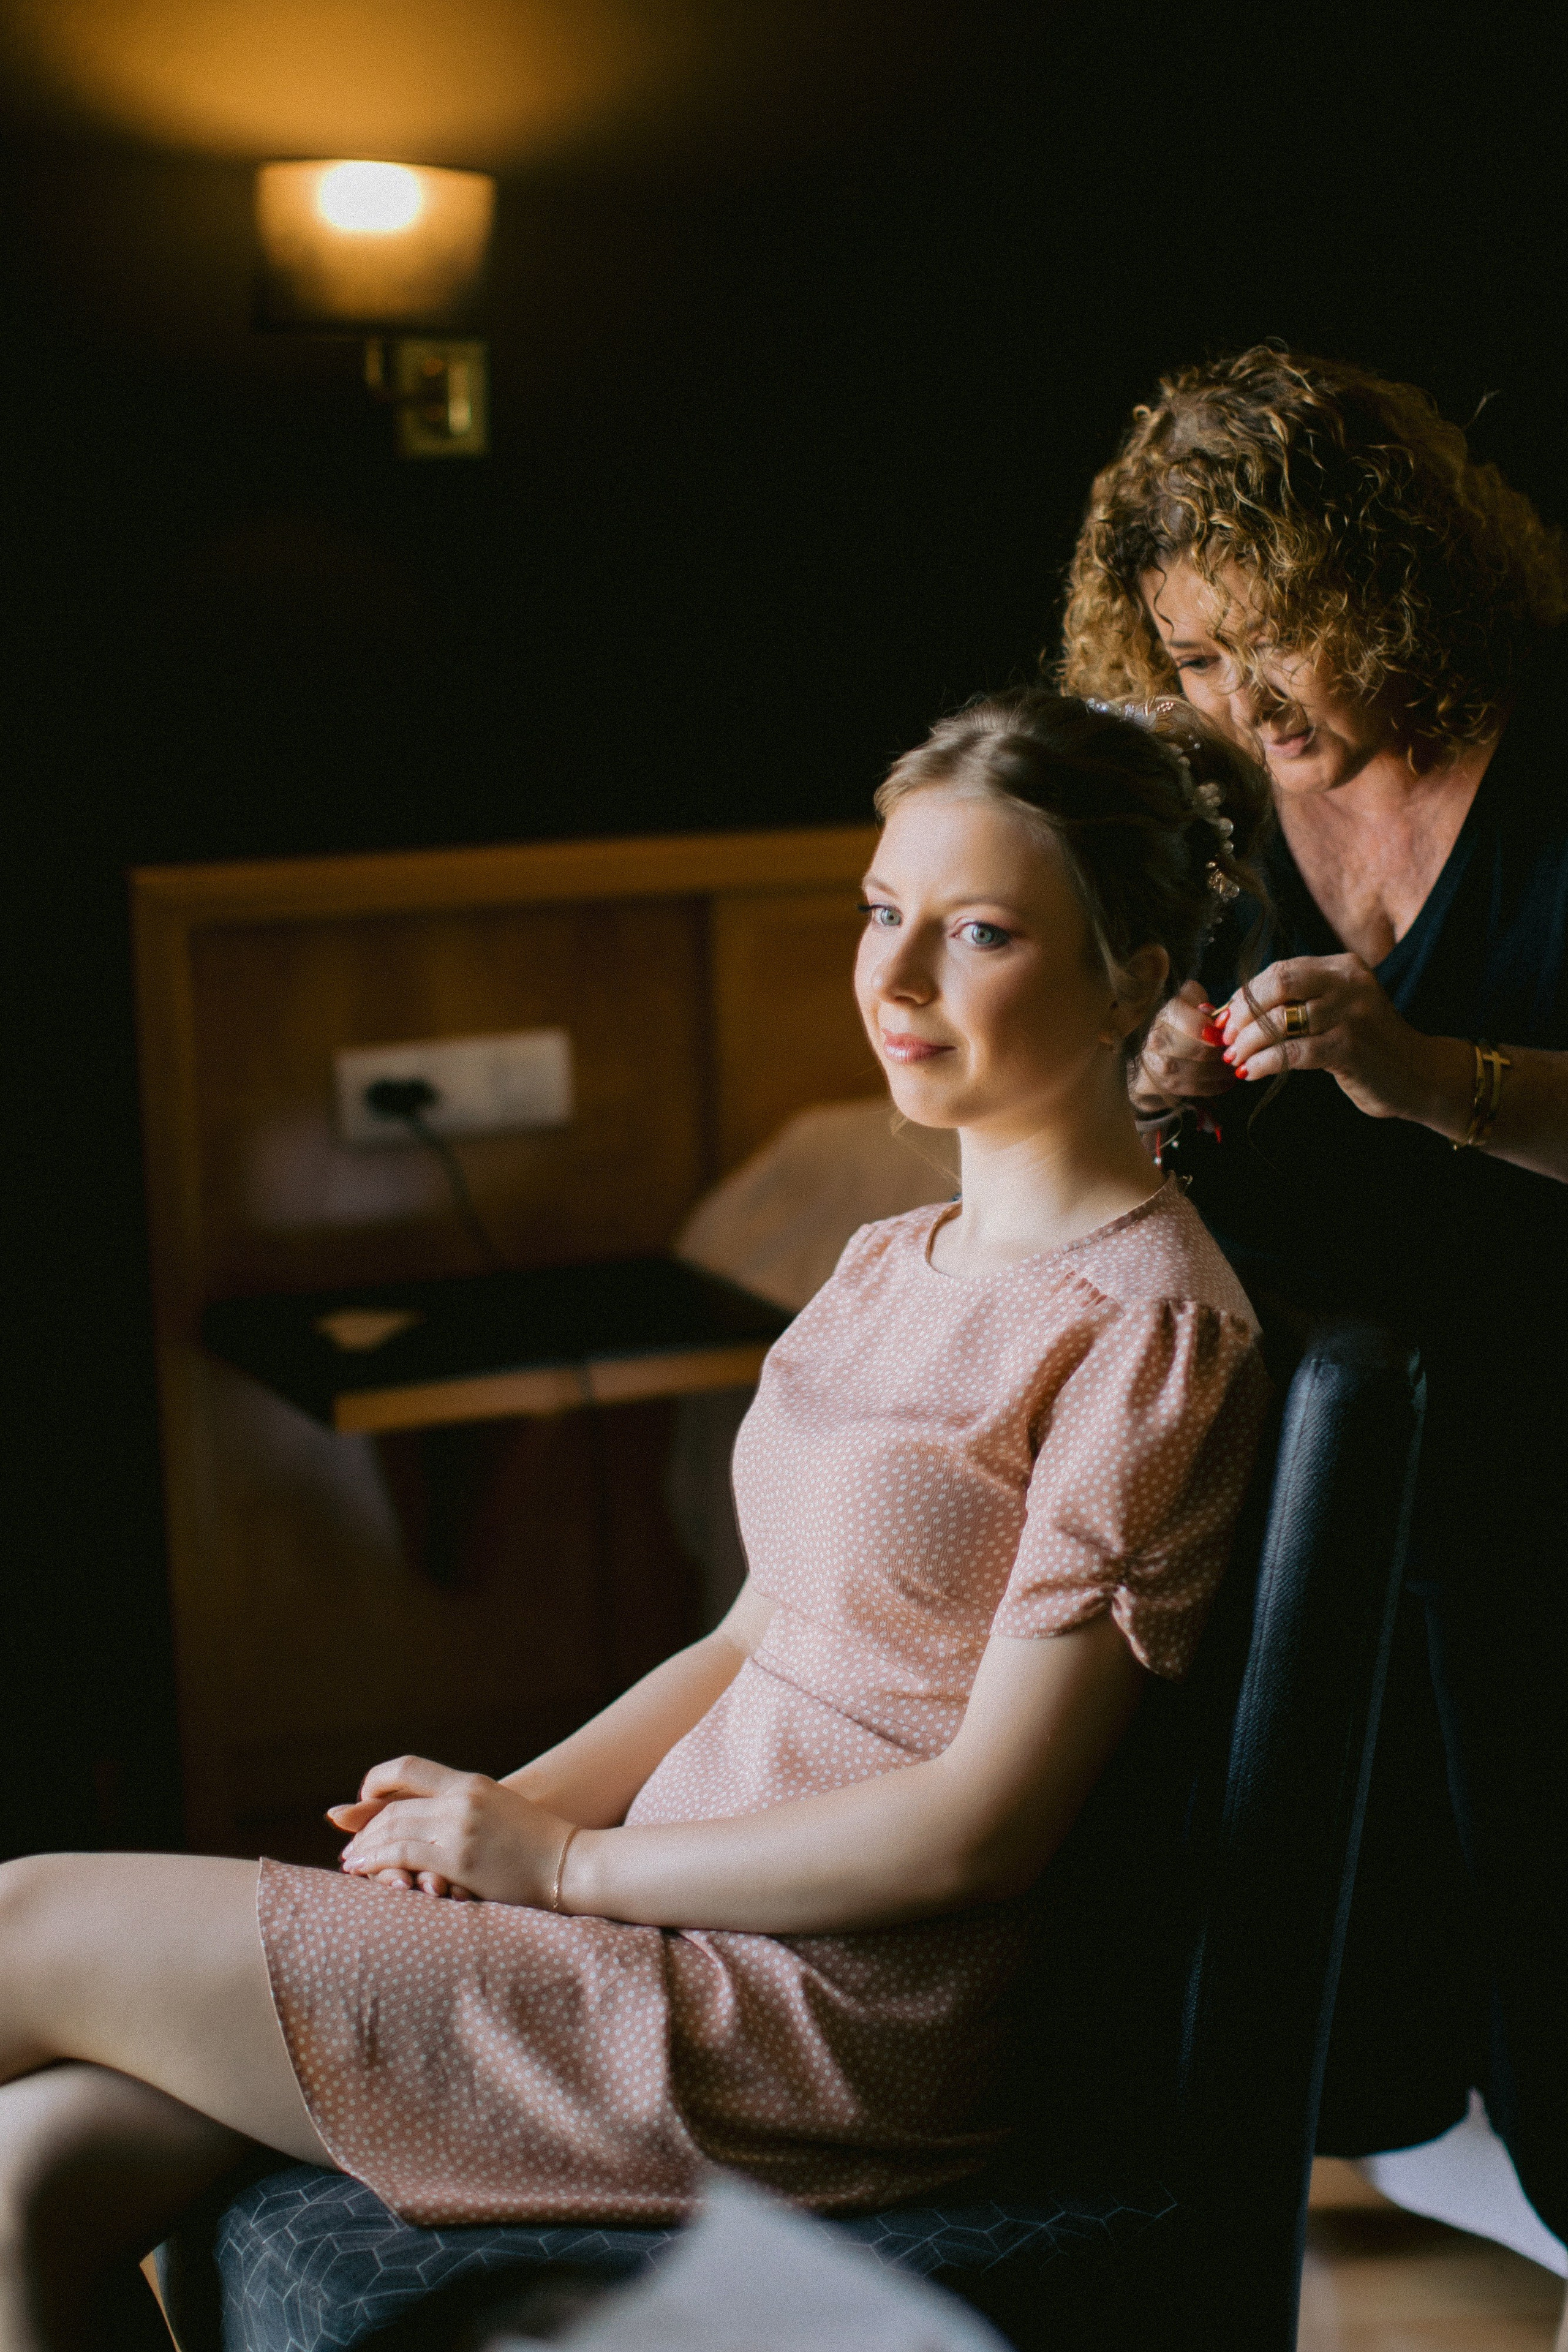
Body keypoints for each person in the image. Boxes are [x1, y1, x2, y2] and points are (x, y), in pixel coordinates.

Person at [0, 694, 1271, 2347]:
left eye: (975, 934)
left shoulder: (1151, 1326)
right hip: (647, 1925)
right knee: (31, 2182)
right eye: (882, 915)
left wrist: (567, 1862)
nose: (892, 982)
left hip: (801, 2029)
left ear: (1128, 974)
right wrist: (503, 1818)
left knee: (16, 1920)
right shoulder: (891, 1257)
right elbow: (753, 1639)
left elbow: (985, 1828)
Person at [1057, 345, 1568, 2253]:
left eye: (1284, 639)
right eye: (1193, 656)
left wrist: (1429, 1074)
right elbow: (1110, 1098)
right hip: (1320, 1438)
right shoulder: (1208, 805)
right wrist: (1155, 1097)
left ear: (1404, 587)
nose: (1244, 702)